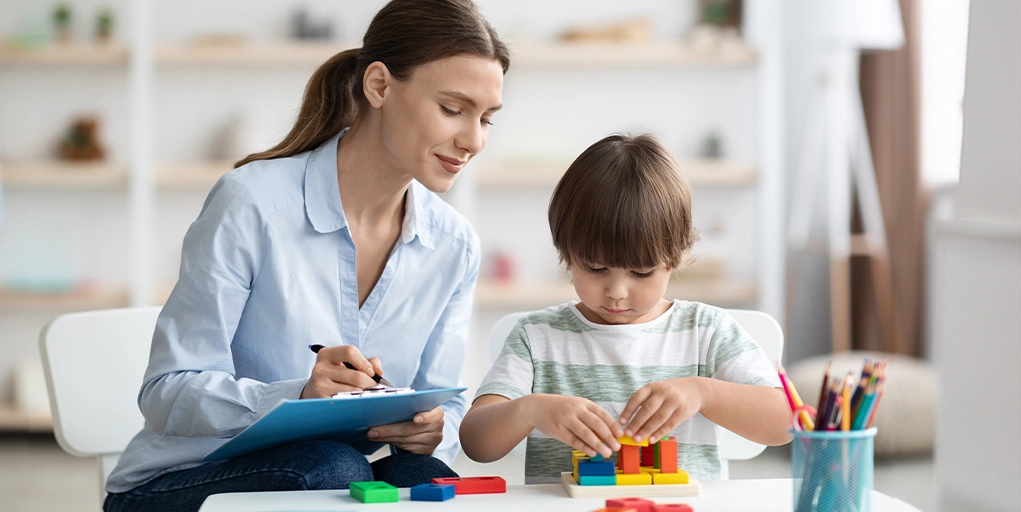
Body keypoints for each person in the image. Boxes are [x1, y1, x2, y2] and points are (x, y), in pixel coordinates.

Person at [104, 1, 509, 510]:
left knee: (422, 473)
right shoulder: (252, 203)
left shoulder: (453, 243)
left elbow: (443, 404)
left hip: (326, 475)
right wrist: (296, 396)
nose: (473, 140)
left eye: (487, 118)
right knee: (332, 468)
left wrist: (433, 431)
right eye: (453, 109)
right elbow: (167, 391)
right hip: (178, 484)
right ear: (379, 85)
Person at [459, 134, 792, 484]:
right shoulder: (537, 337)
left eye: (642, 272)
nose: (617, 292)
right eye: (595, 268)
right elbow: (476, 443)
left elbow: (786, 422)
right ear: (566, 253)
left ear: (674, 258)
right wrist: (529, 410)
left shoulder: (706, 331)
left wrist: (703, 392)